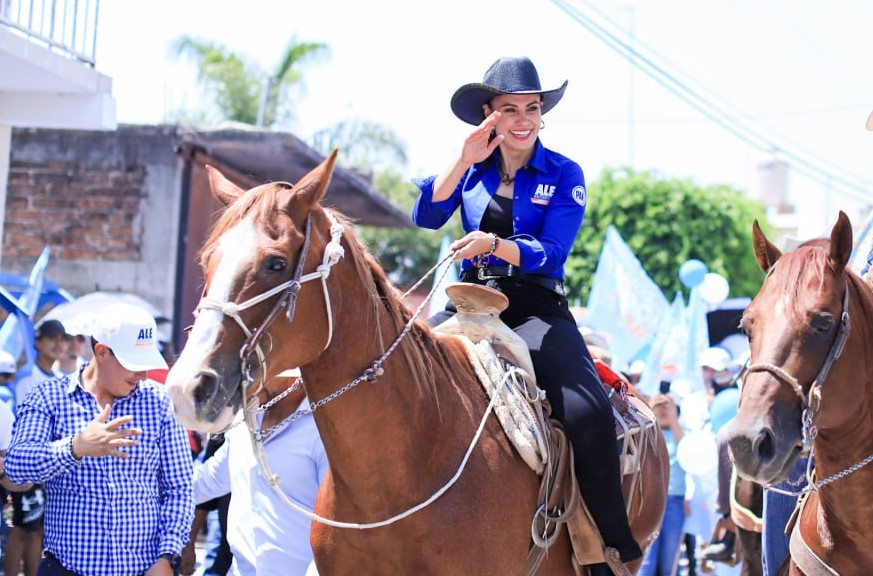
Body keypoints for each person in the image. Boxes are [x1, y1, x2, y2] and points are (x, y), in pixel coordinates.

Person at [411, 55, 641, 572]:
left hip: (535, 308)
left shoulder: (564, 172)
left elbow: (553, 252)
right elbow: (426, 216)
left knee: (586, 412)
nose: (522, 120)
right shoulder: (470, 167)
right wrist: (461, 156)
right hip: (468, 302)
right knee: (398, 372)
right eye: (509, 109)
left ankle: (608, 545)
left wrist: (496, 243)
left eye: (532, 108)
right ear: (487, 115)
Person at [5, 303, 194, 576]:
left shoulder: (160, 402)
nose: (142, 375)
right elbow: (16, 467)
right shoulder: (48, 397)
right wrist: (75, 447)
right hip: (67, 568)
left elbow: (180, 488)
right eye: (134, 364)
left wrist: (167, 556)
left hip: (145, 570)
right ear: (101, 352)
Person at [183, 376, 328, 576]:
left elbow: (336, 523)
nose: (246, 379)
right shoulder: (244, 421)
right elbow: (208, 482)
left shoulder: (323, 429)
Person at [640, 389, 687, 576]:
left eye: (666, 406)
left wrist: (673, 418)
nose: (662, 410)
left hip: (675, 501)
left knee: (669, 561)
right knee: (646, 562)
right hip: (649, 501)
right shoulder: (646, 430)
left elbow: (686, 452)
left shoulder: (681, 433)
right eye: (658, 406)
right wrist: (648, 412)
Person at [15, 319, 70, 410]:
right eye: (52, 338)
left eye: (62, 339)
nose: (59, 344)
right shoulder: (29, 376)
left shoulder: (58, 376)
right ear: (38, 343)